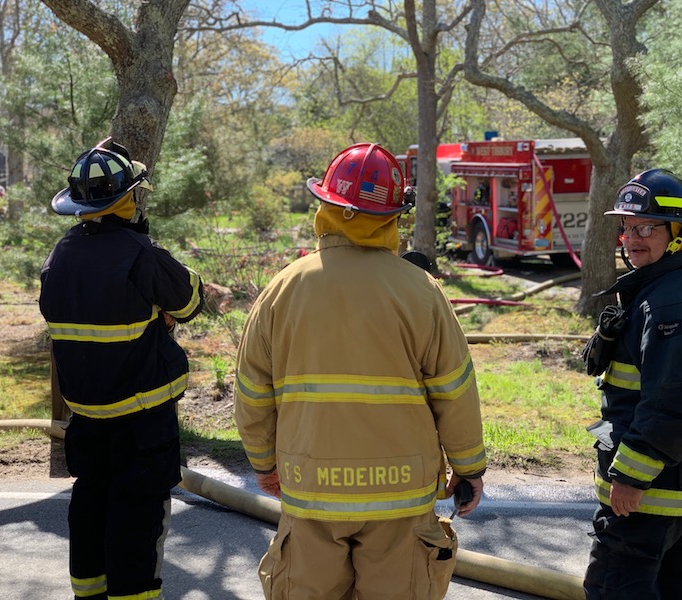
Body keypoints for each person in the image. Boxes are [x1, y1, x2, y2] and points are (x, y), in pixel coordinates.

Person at [234, 142, 486, 600]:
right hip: (401, 495)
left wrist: (265, 464)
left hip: (311, 487)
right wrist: (469, 468)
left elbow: (252, 392)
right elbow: (455, 390)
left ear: (326, 206)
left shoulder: (282, 289)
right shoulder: (421, 290)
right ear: (392, 217)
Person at [39, 138, 204, 600]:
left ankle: (88, 593)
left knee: (90, 507)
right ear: (128, 198)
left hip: (86, 419)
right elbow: (190, 299)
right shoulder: (140, 253)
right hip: (142, 421)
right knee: (137, 518)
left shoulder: (58, 256)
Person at [581, 169, 682, 600]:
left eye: (646, 228)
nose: (632, 239)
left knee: (615, 588)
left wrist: (630, 476)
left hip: (651, 495)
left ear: (679, 234)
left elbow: (672, 400)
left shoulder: (668, 300)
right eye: (627, 228)